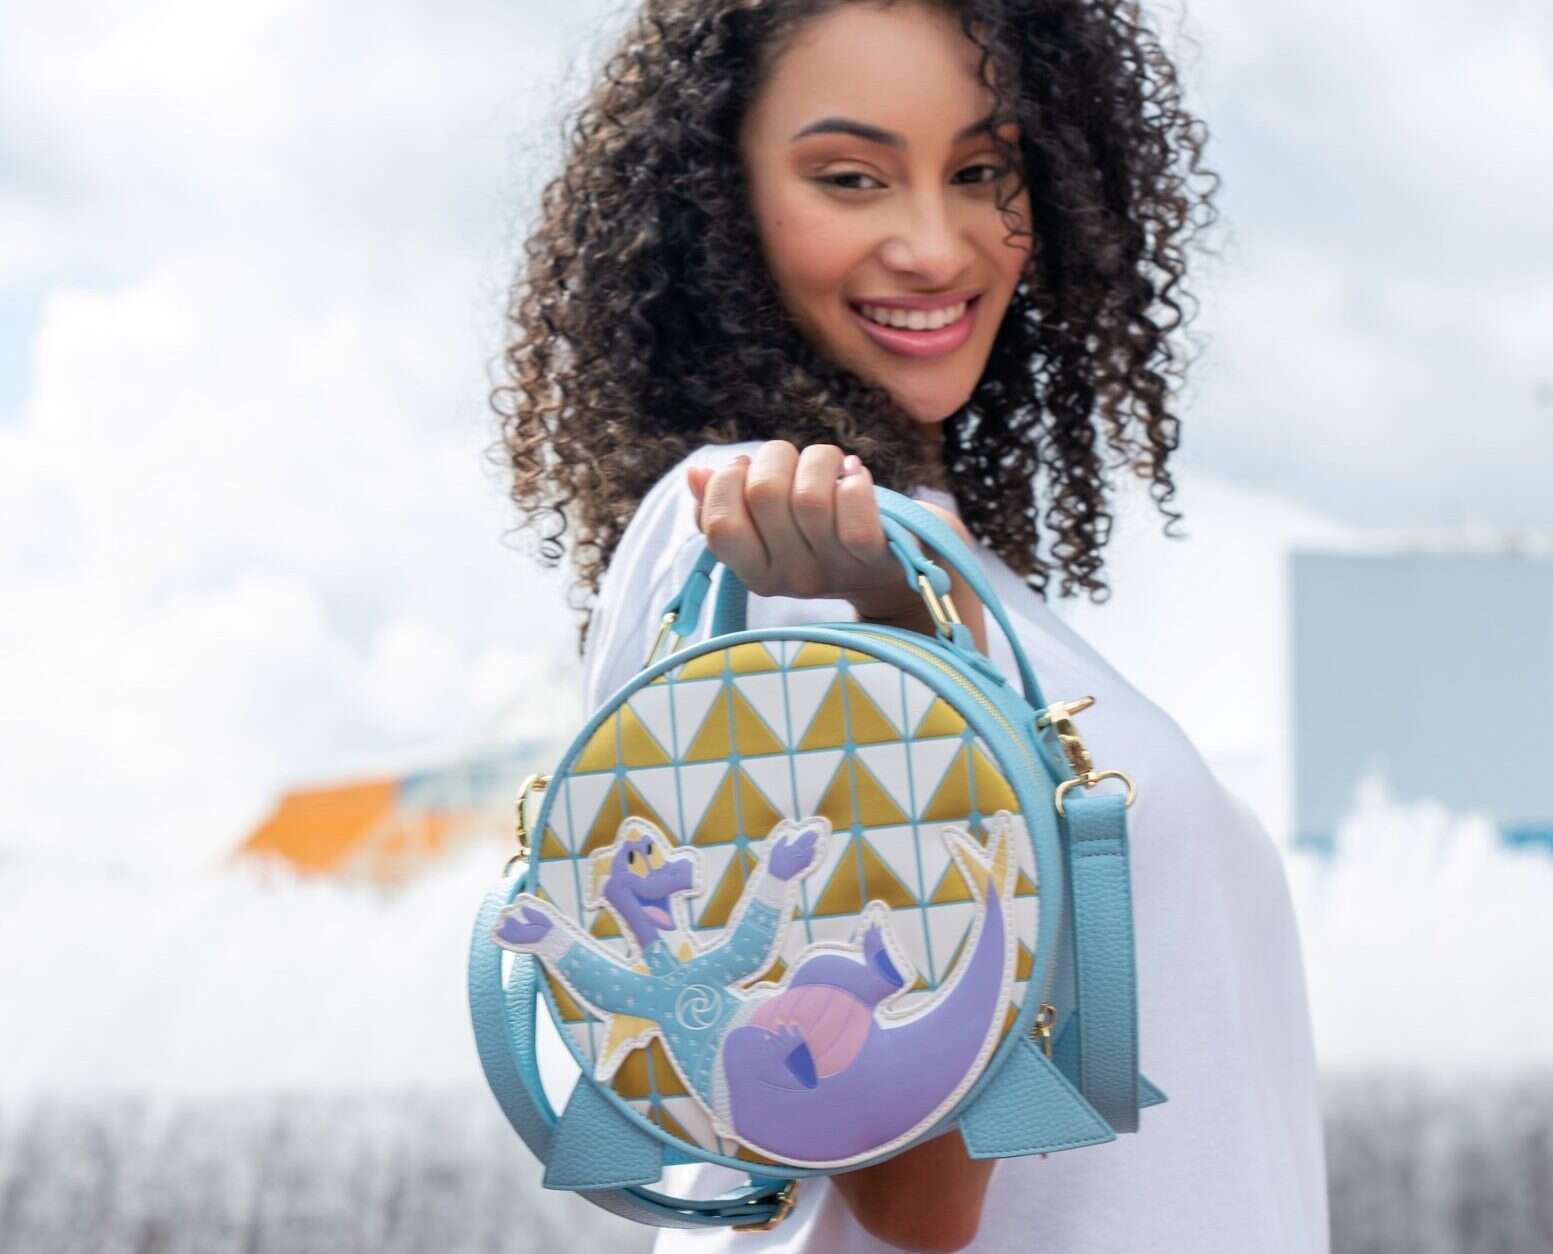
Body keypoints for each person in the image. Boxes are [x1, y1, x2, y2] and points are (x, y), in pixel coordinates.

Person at [492, 0, 1329, 1250]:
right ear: (714, 204)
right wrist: (900, 635)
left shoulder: (924, 560)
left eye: (981, 172)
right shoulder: (768, 528)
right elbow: (909, 1196)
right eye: (849, 178)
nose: (936, 246)